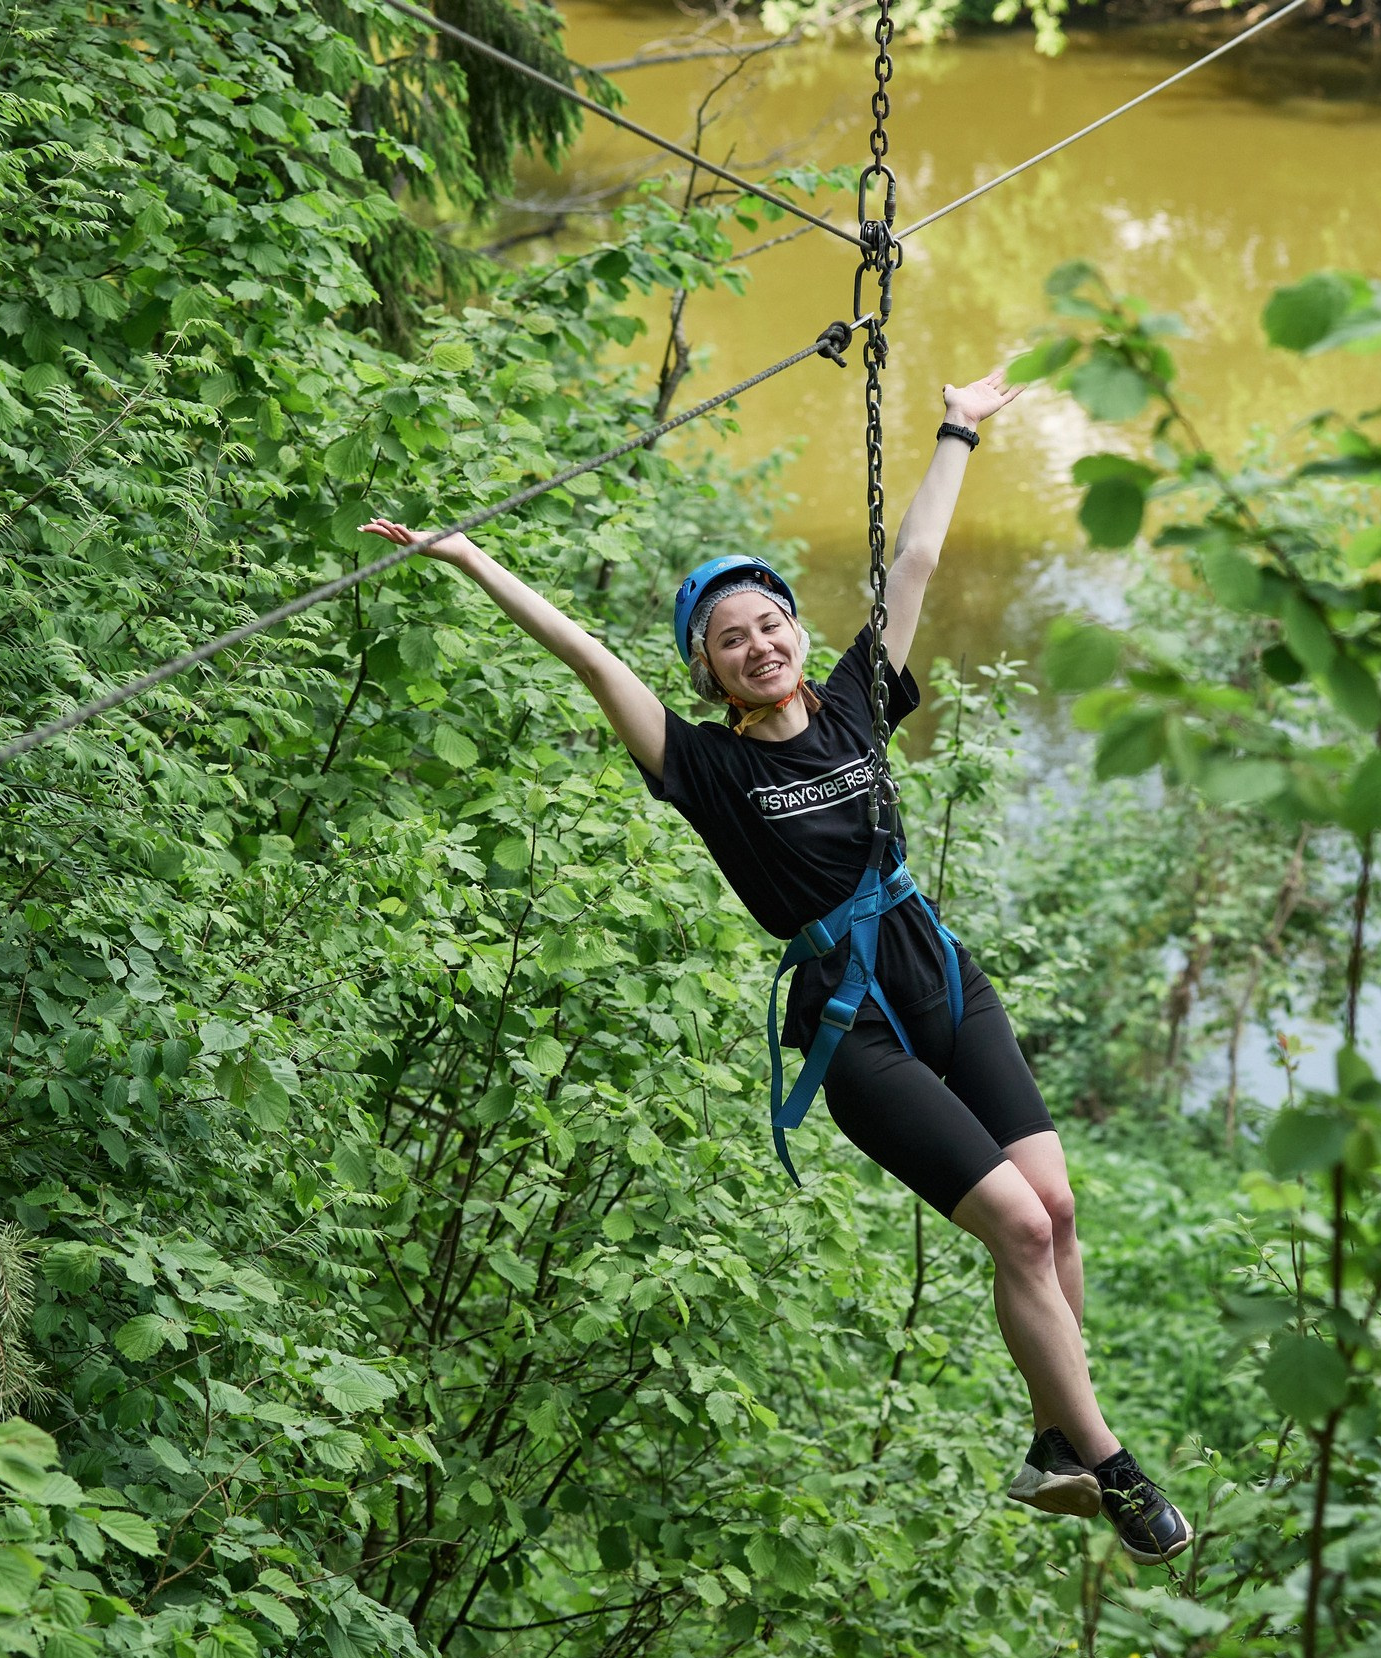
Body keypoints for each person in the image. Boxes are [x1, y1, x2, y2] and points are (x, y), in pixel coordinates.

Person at [359, 369, 1192, 1565]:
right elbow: (593, 662)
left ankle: (1057, 1441)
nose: (757, 645)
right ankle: (1109, 1471)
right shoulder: (703, 768)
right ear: (707, 670)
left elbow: (910, 566)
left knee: (1057, 1209)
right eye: (729, 639)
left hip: (937, 971)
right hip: (849, 1023)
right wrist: (469, 561)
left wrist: (958, 424)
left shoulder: (856, 703)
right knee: (1015, 1224)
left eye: (770, 623)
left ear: (797, 635)